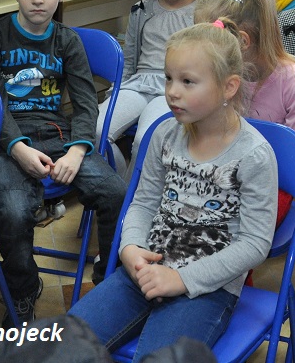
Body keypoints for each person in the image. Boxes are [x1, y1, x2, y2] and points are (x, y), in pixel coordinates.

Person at [69, 22, 278, 360]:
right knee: (60, 345)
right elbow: (142, 204)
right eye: (169, 78)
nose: (172, 92)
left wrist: (181, 280)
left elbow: (255, 244)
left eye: (187, 81)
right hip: (144, 271)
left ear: (229, 87)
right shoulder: (164, 134)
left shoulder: (254, 155)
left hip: (206, 288)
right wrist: (130, 248)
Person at [0, 0, 126, 326]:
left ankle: (108, 280)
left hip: (58, 136)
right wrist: (17, 148)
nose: (37, 0)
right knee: (12, 211)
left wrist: (76, 152)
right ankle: (23, 289)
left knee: (114, 191)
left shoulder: (67, 41)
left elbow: (86, 103)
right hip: (5, 139)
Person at [135, 0, 295, 220]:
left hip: (266, 186)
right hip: (209, 173)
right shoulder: (212, 79)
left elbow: (290, 165)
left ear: (241, 42)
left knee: (191, 217)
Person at [98, 0, 210, 170]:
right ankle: (117, 186)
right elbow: (129, 59)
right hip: (137, 84)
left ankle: (133, 191)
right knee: (97, 131)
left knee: (144, 141)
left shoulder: (201, 13)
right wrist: (115, 91)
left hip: (172, 89)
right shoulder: (141, 10)